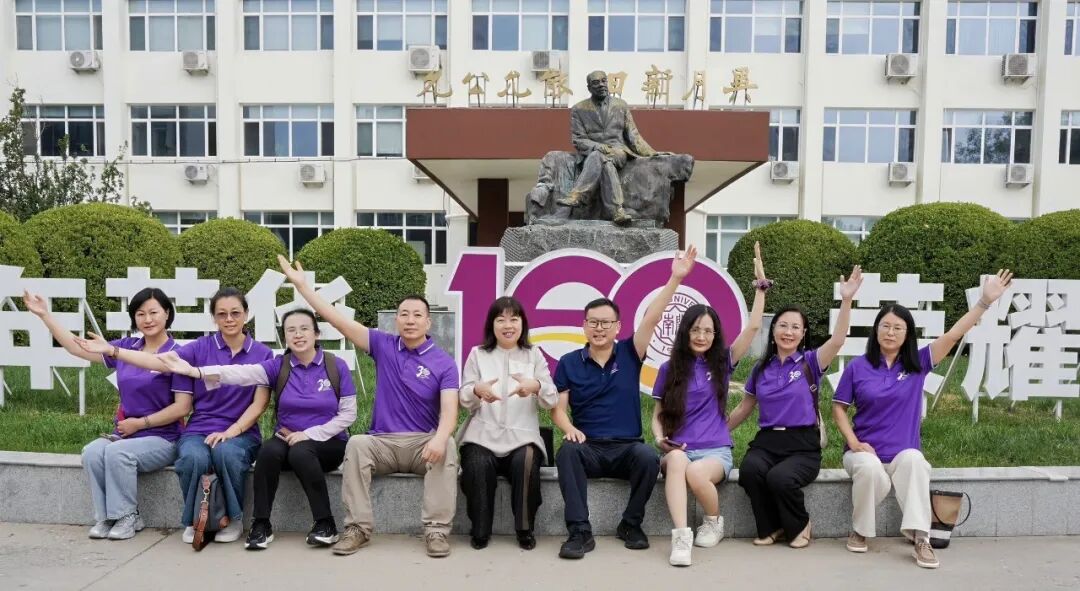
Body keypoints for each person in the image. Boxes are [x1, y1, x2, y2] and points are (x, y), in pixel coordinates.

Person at [271, 255, 460, 558]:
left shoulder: (444, 363)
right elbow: (339, 321)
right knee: (357, 444)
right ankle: (358, 528)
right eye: (404, 314)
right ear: (396, 320)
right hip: (382, 442)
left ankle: (436, 531)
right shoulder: (383, 345)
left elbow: (450, 410)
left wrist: (438, 438)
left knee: (447, 445)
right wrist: (304, 288)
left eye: (417, 315)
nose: (410, 320)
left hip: (422, 444)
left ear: (428, 322)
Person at [832, 269, 1013, 569]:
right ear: (876, 330)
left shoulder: (917, 363)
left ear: (907, 334)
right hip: (865, 452)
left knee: (916, 461)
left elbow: (953, 335)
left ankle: (921, 538)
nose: (890, 332)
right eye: (885, 326)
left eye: (898, 328)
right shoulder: (858, 367)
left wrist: (983, 302)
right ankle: (860, 531)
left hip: (901, 454)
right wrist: (853, 442)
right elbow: (838, 408)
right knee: (868, 467)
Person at [77, 287, 273, 544]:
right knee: (192, 456)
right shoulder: (199, 347)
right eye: (221, 314)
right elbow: (159, 362)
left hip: (241, 431)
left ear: (246, 314)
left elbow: (260, 403)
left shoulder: (262, 353)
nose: (229, 319)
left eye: (235, 313)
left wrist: (230, 432)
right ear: (213, 317)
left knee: (227, 453)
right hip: (199, 428)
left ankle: (233, 519)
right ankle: (195, 520)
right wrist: (114, 351)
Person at [160, 308, 356, 550]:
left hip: (329, 442)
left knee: (301, 451)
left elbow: (348, 414)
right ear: (285, 337)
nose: (298, 334)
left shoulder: (336, 366)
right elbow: (240, 373)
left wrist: (308, 435)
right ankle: (261, 524)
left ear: (316, 333)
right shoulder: (279, 366)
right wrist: (196, 372)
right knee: (267, 451)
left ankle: (325, 524)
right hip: (287, 438)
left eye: (304, 328)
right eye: (291, 330)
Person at [552, 245, 698, 560]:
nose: (599, 328)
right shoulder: (568, 362)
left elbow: (652, 317)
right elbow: (558, 409)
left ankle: (630, 524)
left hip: (626, 447)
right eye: (593, 322)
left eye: (606, 323)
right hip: (588, 446)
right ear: (584, 326)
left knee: (648, 457)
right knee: (567, 453)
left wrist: (675, 279)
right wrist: (569, 429)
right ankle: (579, 532)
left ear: (618, 327)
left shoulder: (630, 353)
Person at [23, 287, 189, 540]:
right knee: (91, 452)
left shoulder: (178, 353)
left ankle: (128, 515)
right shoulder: (128, 346)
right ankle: (106, 517)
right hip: (126, 434)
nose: (147, 319)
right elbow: (78, 348)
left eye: (154, 312)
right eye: (140, 314)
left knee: (117, 452)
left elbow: (182, 407)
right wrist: (45, 315)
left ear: (167, 313)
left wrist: (140, 424)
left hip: (165, 437)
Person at [650, 242, 773, 566]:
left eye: (708, 331)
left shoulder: (722, 363)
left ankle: (714, 520)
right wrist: (659, 438)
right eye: (696, 330)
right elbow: (658, 414)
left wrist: (760, 286)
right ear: (685, 332)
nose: (702, 336)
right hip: (678, 447)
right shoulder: (669, 369)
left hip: (714, 451)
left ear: (715, 334)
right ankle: (681, 538)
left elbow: (754, 327)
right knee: (679, 461)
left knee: (695, 472)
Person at [728, 265, 863, 552]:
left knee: (780, 478)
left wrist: (847, 300)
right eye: (783, 325)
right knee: (750, 470)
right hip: (767, 441)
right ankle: (772, 527)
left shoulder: (811, 362)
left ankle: (800, 524)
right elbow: (744, 408)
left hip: (803, 444)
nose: (788, 332)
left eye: (795, 327)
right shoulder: (760, 369)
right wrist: (715, 431)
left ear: (803, 334)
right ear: (773, 330)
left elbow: (838, 340)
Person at [458, 296, 558, 551]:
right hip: (482, 435)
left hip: (522, 437)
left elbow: (551, 398)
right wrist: (477, 390)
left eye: (514, 319)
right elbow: (464, 397)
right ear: (491, 325)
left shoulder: (533, 354)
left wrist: (536, 386)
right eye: (500, 319)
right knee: (477, 464)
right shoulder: (478, 354)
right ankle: (480, 529)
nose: (508, 325)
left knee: (526, 461)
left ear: (522, 323)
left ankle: (524, 529)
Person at [556, 70, 659, 225]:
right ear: (589, 87)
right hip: (594, 153)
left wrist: (652, 153)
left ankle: (577, 195)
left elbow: (633, 135)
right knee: (604, 161)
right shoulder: (579, 109)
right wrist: (599, 147)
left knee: (599, 157)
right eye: (596, 82)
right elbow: (578, 139)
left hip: (618, 151)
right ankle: (617, 211)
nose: (601, 85)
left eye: (603, 81)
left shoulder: (621, 105)